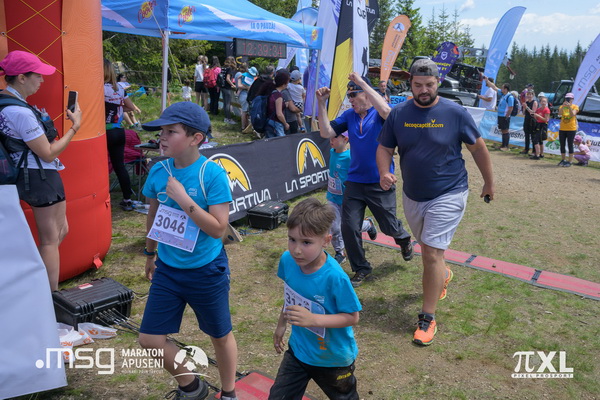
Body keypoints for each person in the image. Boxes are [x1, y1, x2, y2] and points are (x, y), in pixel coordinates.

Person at [376, 58, 494, 346]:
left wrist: (489, 182)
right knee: (431, 252)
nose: (424, 90)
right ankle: (442, 273)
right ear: (410, 84)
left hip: (450, 191)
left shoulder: (455, 112)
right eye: (418, 85)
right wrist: (383, 172)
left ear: (437, 83)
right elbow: (384, 148)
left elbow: (478, 148)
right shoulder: (399, 114)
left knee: (430, 253)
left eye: (429, 85)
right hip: (413, 195)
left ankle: (427, 318)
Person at [139, 101, 238, 400]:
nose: (162, 137)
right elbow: (153, 215)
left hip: (206, 270)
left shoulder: (212, 175)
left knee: (219, 336)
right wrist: (150, 254)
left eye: (171, 131)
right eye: (161, 131)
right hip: (168, 269)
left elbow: (218, 229)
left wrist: (183, 198)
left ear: (196, 138)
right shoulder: (159, 170)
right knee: (149, 339)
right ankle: (192, 386)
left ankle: (229, 392)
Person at [316, 72, 413, 288]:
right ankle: (361, 268)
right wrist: (321, 103)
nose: (350, 100)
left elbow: (387, 112)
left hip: (380, 180)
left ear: (367, 94)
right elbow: (326, 132)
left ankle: (404, 239)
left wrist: (362, 82)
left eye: (354, 95)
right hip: (355, 181)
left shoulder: (379, 113)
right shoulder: (349, 116)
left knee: (388, 226)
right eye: (348, 96)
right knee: (348, 227)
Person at [0, 50, 82, 291]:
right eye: (37, 75)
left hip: (29, 174)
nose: (42, 80)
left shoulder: (6, 104)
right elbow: (48, 152)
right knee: (50, 239)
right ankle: (48, 296)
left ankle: (34, 282)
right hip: (39, 175)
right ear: (21, 78)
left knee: (60, 231)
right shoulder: (20, 112)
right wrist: (75, 127)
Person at [269, 198, 361, 400]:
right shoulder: (288, 260)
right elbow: (290, 297)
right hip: (299, 351)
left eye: (306, 242)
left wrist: (313, 319)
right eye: (292, 239)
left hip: (333, 359)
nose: (297, 250)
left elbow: (352, 317)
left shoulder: (335, 277)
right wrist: (281, 325)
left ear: (326, 240)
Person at [326, 131, 378, 264]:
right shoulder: (332, 152)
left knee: (349, 227)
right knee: (334, 227)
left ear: (345, 139)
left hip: (348, 199)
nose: (331, 140)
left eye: (335, 138)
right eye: (330, 138)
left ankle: (368, 224)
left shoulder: (350, 157)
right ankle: (340, 252)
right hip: (332, 198)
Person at [104, 59, 137, 212]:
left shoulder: (98, 88)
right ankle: (127, 199)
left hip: (103, 132)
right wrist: (117, 107)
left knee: (100, 165)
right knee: (120, 166)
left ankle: (100, 197)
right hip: (118, 131)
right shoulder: (119, 88)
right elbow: (131, 107)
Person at [484, 76, 514, 151]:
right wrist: (487, 80)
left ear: (506, 89)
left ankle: (506, 146)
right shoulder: (503, 94)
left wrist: (506, 116)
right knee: (502, 130)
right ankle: (503, 145)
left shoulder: (510, 97)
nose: (501, 88)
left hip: (505, 116)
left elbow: (511, 108)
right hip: (500, 115)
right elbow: (494, 87)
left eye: (502, 88)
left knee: (505, 130)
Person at [257, 69, 289, 138]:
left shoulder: (272, 92)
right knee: (281, 142)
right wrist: (285, 123)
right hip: (276, 123)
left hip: (269, 121)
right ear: (284, 84)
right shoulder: (279, 96)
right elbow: (279, 114)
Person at [557, 92, 580, 167]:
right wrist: (563, 106)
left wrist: (569, 107)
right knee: (562, 144)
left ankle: (570, 161)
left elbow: (572, 114)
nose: (568, 100)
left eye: (569, 98)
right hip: (562, 128)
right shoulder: (562, 106)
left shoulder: (575, 106)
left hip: (571, 129)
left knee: (570, 144)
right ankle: (563, 159)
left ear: (572, 99)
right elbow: (559, 114)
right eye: (567, 98)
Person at [529, 95, 550, 160]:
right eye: (542, 101)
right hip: (538, 124)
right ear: (540, 102)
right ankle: (541, 154)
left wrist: (538, 116)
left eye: (545, 101)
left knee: (536, 140)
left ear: (546, 102)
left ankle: (537, 155)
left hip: (543, 125)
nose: (543, 103)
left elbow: (546, 119)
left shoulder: (547, 110)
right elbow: (536, 118)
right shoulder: (538, 109)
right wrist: (534, 115)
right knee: (540, 140)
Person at [237, 66, 257, 132]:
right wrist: (247, 87)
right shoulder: (252, 78)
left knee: (245, 111)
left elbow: (240, 85)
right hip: (245, 95)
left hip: (243, 94)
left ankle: (245, 126)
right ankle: (243, 127)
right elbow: (240, 86)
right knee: (244, 111)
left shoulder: (244, 75)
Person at [521, 90, 538, 155]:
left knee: (533, 136)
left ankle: (534, 150)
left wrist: (526, 107)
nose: (529, 96)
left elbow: (533, 112)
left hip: (532, 120)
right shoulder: (526, 102)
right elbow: (523, 113)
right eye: (528, 94)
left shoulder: (534, 102)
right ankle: (526, 149)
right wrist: (524, 107)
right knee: (526, 135)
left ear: (533, 95)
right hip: (526, 119)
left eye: (531, 94)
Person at [221, 56, 237, 125]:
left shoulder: (223, 67)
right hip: (227, 87)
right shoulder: (229, 68)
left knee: (225, 103)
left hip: (222, 87)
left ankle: (226, 117)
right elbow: (228, 79)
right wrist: (233, 85)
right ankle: (228, 118)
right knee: (228, 103)